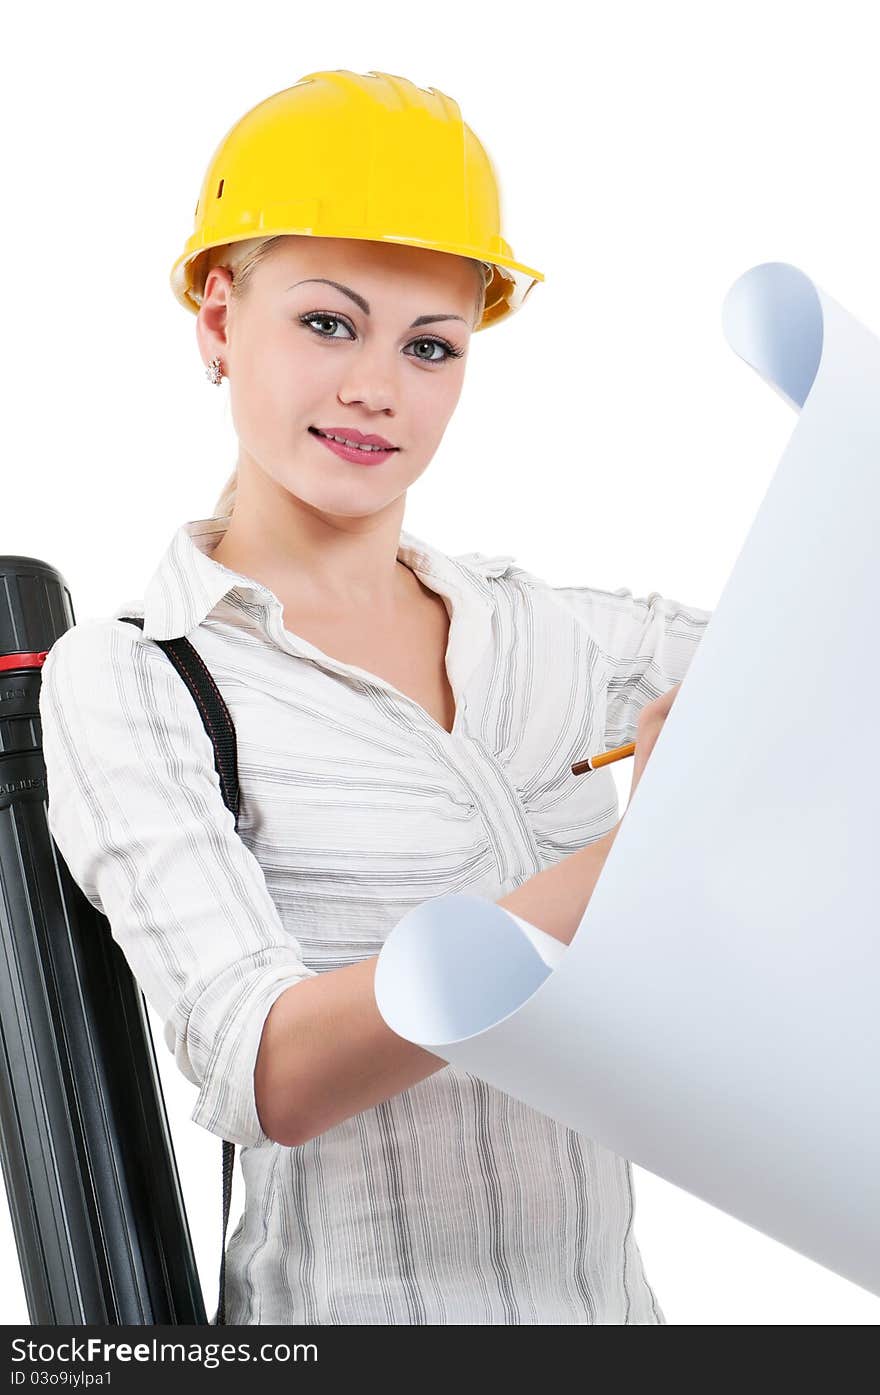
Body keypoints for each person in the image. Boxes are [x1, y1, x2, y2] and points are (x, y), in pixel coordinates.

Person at [37, 71, 712, 1325]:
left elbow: (823, 675)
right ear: (218, 317)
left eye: (430, 346)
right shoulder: (144, 678)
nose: (376, 389)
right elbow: (267, 1070)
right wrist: (638, 861)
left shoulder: (555, 635)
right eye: (330, 324)